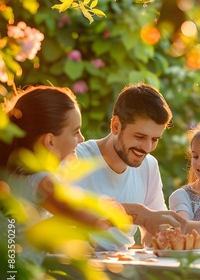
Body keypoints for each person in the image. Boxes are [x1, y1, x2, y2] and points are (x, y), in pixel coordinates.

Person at [0, 85, 124, 263]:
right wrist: (110, 213)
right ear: (50, 141)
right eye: (75, 132)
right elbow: (82, 215)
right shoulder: (43, 181)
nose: (81, 139)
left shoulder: (10, 174)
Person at [58, 82, 185, 249]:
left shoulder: (149, 166)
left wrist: (166, 237)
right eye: (140, 137)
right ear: (116, 125)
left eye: (155, 139)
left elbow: (152, 233)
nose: (147, 148)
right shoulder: (74, 158)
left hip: (125, 267)